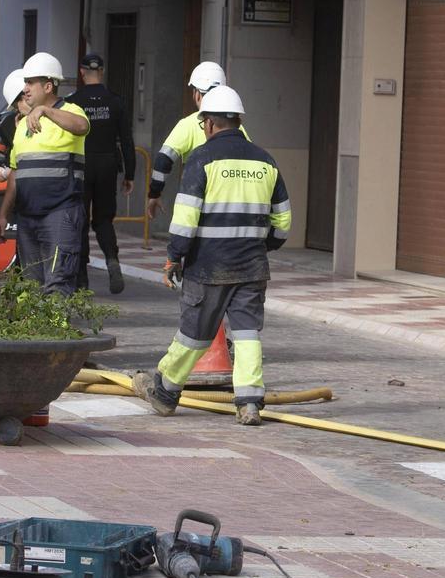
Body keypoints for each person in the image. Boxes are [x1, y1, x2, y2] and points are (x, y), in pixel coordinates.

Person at [132, 86, 290, 425]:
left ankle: (165, 391)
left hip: (209, 265)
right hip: (251, 265)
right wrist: (264, 246)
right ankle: (248, 401)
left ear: (209, 124)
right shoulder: (266, 160)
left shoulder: (202, 160)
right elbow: (283, 221)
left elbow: (185, 218)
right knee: (248, 333)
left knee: (195, 332)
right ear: (238, 121)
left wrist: (174, 256)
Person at [0, 52, 90, 296]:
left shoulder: (70, 110)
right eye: (25, 83)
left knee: (58, 282)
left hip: (60, 211)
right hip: (28, 216)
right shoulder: (22, 126)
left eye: (30, 83)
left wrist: (45, 111)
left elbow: (82, 126)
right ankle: (35, 332)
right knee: (31, 286)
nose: (25, 89)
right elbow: (16, 173)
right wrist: (3, 215)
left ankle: (56, 331)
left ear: (48, 86)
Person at [65, 53, 135, 294]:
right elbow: (126, 140)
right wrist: (130, 174)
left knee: (80, 221)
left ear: (82, 73)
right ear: (102, 72)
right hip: (107, 165)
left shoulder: (73, 102)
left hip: (82, 166)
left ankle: (82, 278)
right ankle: (112, 261)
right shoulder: (115, 101)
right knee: (104, 220)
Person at [147, 62, 247, 222]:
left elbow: (163, 160)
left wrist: (155, 193)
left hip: (197, 203)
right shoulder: (237, 127)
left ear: (197, 94)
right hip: (233, 205)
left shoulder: (188, 124)